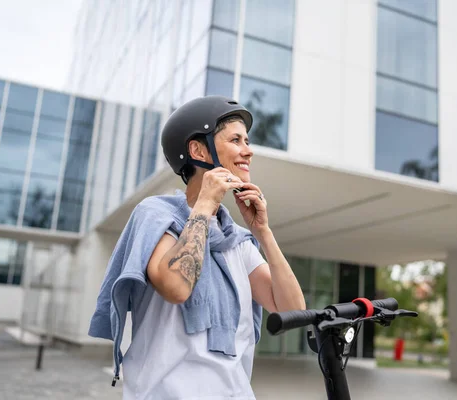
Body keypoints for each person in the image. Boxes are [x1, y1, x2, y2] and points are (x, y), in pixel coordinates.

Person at [88, 95, 306, 399]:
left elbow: (292, 310)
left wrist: (263, 232)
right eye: (236, 140)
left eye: (248, 140)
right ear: (198, 149)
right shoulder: (157, 216)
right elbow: (176, 287)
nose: (248, 150)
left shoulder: (236, 239)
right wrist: (206, 202)